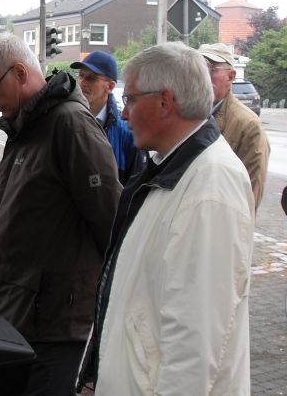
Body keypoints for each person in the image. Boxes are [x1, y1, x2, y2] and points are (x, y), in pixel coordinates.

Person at [77, 42, 254, 395]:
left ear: (165, 101)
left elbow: (196, 341)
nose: (123, 115)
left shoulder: (209, 188)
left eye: (130, 100)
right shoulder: (170, 168)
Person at [0, 33, 121, 396]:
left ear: (20, 72)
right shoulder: (29, 123)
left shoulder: (70, 125)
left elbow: (110, 223)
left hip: (53, 329)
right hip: (19, 318)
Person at [199, 42, 270, 210]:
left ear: (230, 76)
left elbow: (251, 194)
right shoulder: (186, 113)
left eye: (211, 70)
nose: (203, 76)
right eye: (199, 69)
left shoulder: (248, 125)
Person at [71, 50, 144, 184]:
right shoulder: (66, 122)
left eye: (91, 78)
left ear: (110, 86)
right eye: (81, 75)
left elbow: (134, 188)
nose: (82, 82)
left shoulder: (127, 134)